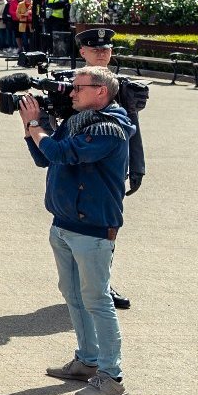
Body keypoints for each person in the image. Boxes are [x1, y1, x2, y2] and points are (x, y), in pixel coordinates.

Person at [21, 66, 133, 395]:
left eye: (77, 88)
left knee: (97, 300)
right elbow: (45, 158)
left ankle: (112, 378)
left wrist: (35, 125)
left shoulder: (109, 128)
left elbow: (62, 153)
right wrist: (31, 130)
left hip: (93, 229)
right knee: (72, 293)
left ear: (101, 91)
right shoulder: (77, 121)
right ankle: (87, 361)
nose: (70, 93)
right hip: (64, 224)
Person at [72, 27, 146, 309]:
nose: (101, 53)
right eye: (95, 49)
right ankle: (82, 284)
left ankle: (101, 284)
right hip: (80, 169)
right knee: (77, 229)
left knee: (108, 229)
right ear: (82, 52)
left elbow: (134, 130)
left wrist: (137, 166)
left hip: (111, 172)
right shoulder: (72, 85)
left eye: (106, 49)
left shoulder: (123, 86)